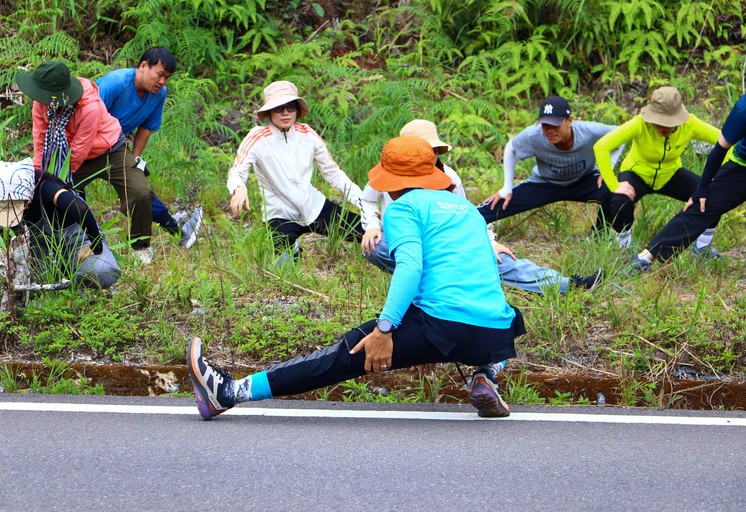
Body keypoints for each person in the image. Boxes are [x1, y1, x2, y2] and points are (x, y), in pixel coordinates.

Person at [189, 136, 525, 420]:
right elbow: (471, 274)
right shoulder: (467, 210)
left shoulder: (404, 207)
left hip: (442, 325)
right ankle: (486, 372)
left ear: (393, 180)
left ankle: (228, 392)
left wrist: (386, 329)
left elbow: (410, 267)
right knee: (493, 317)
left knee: (343, 356)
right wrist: (425, 347)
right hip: (496, 333)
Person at [360, 119, 603, 292]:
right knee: (375, 247)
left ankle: (566, 285)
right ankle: (429, 279)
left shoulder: (448, 177)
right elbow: (368, 198)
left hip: (444, 244)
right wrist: (372, 225)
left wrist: (490, 242)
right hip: (406, 242)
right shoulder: (388, 171)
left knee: (500, 261)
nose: (430, 156)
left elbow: (467, 214)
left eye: (433, 150)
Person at [15, 61, 154, 263]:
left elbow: (78, 152)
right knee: (55, 194)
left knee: (140, 193)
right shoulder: (42, 101)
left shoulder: (90, 107)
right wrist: (39, 179)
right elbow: (40, 140)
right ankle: (66, 242)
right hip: (68, 154)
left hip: (109, 150)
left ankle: (140, 246)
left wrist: (55, 182)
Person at [631, 62, 746, 271]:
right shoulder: (745, 109)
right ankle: (646, 258)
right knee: (704, 204)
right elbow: (720, 148)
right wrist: (702, 187)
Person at [227, 81, 363, 259]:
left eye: (290, 107)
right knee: (286, 260)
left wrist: (362, 201)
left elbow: (333, 172)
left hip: (314, 207)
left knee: (369, 233)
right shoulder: (257, 138)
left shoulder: (307, 134)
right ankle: (294, 249)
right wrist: (239, 188)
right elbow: (237, 170)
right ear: (269, 112)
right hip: (280, 215)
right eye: (279, 108)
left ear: (297, 110)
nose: (285, 113)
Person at [96, 47, 203, 250]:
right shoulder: (116, 83)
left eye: (167, 77)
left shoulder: (159, 94)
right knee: (69, 191)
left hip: (113, 147)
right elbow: (86, 117)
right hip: (83, 145)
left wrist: (134, 160)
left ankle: (165, 236)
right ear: (143, 66)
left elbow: (146, 127)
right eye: (159, 75)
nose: (162, 82)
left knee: (140, 191)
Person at [594, 86, 722, 254]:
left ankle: (702, 248)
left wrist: (719, 176)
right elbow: (601, 146)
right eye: (658, 122)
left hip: (670, 174)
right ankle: (624, 248)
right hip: (636, 173)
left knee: (713, 196)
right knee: (620, 200)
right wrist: (614, 184)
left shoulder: (690, 124)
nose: (663, 127)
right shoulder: (639, 123)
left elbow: (725, 141)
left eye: (668, 123)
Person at [479, 96, 623, 236]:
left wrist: (607, 168)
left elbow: (621, 134)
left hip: (583, 180)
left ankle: (599, 235)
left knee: (615, 192)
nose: (550, 130)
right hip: (545, 183)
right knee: (494, 206)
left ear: (569, 121)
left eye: (555, 125)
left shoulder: (589, 131)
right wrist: (507, 187)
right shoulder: (533, 135)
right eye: (545, 125)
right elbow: (511, 148)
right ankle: (472, 223)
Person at [0, 158, 120, 289]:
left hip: (77, 247)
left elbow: (80, 207)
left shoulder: (47, 188)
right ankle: (53, 285)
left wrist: (95, 244)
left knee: (103, 271)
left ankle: (77, 287)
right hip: (42, 257)